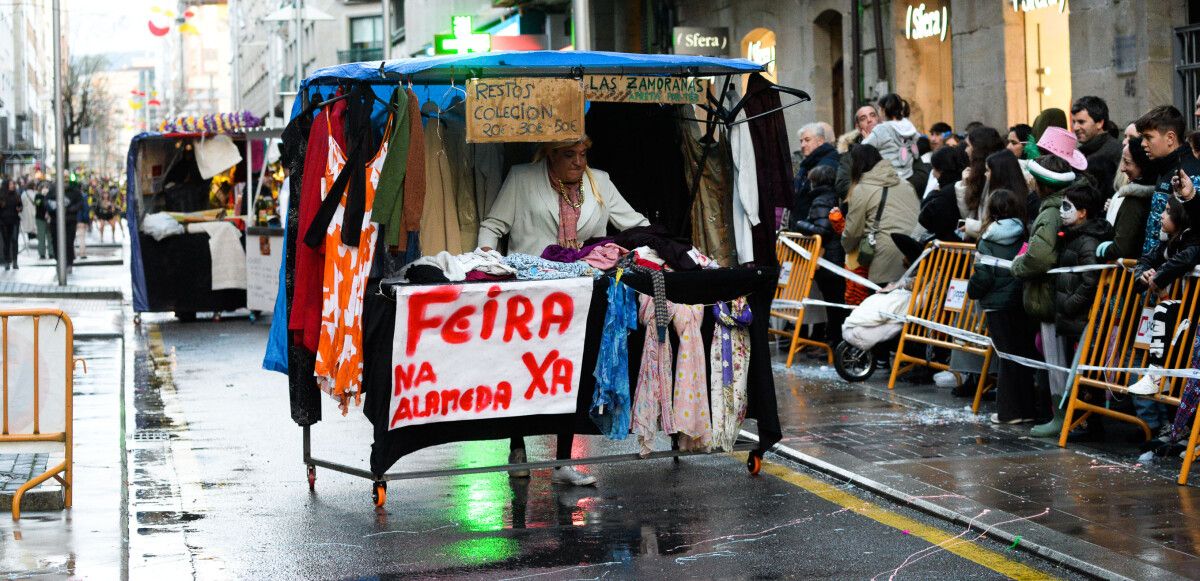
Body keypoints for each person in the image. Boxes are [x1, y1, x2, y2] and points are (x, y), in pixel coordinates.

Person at [477, 136, 649, 487]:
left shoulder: (598, 181)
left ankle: (563, 462)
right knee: (526, 371)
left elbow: (635, 224)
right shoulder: (523, 178)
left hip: (582, 293)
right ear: (550, 156)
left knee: (571, 372)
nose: (578, 162)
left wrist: (656, 248)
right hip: (531, 291)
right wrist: (487, 265)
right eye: (569, 155)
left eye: (583, 154)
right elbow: (493, 227)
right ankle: (518, 449)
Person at [1010, 153, 1078, 438]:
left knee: (1055, 360)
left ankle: (1060, 416)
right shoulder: (1057, 207)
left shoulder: (1049, 213)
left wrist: (1018, 265)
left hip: (1050, 295)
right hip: (1058, 294)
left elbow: (1039, 257)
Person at [967, 188, 1043, 424]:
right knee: (1023, 356)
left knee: (1006, 357)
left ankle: (1009, 412)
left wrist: (972, 291)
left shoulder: (987, 239)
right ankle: (1028, 409)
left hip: (997, 308)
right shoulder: (1025, 234)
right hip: (1020, 303)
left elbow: (984, 275)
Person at [1053, 183, 1113, 440]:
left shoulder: (1087, 241)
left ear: (1083, 213)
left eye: (1068, 206)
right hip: (1071, 315)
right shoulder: (1072, 236)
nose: (1062, 211)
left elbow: (1089, 280)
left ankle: (1091, 422)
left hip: (1080, 315)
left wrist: (1069, 304)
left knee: (1087, 370)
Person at [1127, 197, 1200, 399]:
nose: (1161, 215)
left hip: (1194, 312)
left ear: (1180, 216)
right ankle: (1160, 378)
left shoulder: (1193, 240)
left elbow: (1187, 257)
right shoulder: (1168, 243)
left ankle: (1157, 375)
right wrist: (1143, 275)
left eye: (1167, 211)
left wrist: (1158, 275)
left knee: (1165, 309)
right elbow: (1146, 260)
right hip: (1186, 310)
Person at [841, 144, 919, 285]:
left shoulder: (861, 189)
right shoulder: (905, 184)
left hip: (885, 258)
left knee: (879, 304)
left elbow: (853, 231)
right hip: (913, 254)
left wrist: (846, 247)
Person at [790, 165, 846, 347]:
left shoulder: (821, 200)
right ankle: (834, 340)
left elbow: (822, 230)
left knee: (832, 302)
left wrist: (801, 224)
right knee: (834, 302)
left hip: (828, 258)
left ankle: (834, 342)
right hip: (834, 256)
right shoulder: (833, 197)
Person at [1136, 105, 1199, 259]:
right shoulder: (1164, 168)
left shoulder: (1189, 173)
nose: (1143, 143)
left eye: (1148, 137)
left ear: (1170, 138)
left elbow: (1192, 233)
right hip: (1156, 269)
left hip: (1175, 272)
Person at [1097, 138, 1159, 261]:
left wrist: (1100, 250)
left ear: (1142, 165)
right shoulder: (1159, 193)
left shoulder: (1134, 200)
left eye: (1127, 162)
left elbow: (1121, 248)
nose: (1122, 169)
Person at [862, 93, 924, 194]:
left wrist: (866, 138)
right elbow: (917, 139)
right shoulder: (909, 126)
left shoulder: (881, 129)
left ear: (883, 110)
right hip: (908, 175)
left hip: (888, 178)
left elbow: (864, 147)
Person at [963, 150, 1029, 239]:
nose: (985, 174)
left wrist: (970, 226)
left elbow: (998, 230)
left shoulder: (1003, 200)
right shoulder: (1021, 194)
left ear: (998, 173)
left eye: (988, 170)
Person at [958, 126, 1005, 238]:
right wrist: (964, 186)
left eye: (969, 146)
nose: (966, 150)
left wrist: (970, 227)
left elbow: (1000, 227)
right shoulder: (978, 174)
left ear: (978, 149)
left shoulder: (997, 176)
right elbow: (968, 215)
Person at [1072, 96, 1123, 199]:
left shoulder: (1116, 151)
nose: (1075, 127)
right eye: (1074, 122)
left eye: (1081, 122)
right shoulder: (1083, 152)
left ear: (1100, 123)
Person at [918, 144, 969, 242]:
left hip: (948, 248)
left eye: (934, 169)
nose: (933, 173)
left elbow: (925, 219)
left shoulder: (945, 194)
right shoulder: (964, 183)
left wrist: (933, 193)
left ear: (941, 170)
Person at [793, 122, 840, 221]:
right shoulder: (806, 164)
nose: (802, 145)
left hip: (818, 226)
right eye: (801, 141)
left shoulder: (828, 164)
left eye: (807, 140)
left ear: (820, 141)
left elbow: (824, 200)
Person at [835, 104, 881, 198]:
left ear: (879, 120)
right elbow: (843, 186)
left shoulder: (893, 144)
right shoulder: (850, 153)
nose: (869, 120)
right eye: (863, 118)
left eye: (872, 115)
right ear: (858, 127)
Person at [0, 179, 23, 270]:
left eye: (13, 184)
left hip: (14, 221)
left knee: (14, 241)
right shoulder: (1, 195)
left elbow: (21, 206)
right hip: (4, 222)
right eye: (10, 184)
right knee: (6, 242)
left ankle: (15, 261)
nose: (12, 185)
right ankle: (7, 261)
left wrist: (19, 208)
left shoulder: (17, 195)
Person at [33, 185, 52, 260]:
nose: (45, 189)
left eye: (46, 188)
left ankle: (51, 253)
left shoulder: (50, 195)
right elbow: (37, 204)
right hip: (40, 219)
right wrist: (43, 197)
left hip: (49, 219)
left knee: (50, 237)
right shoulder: (38, 196)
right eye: (44, 188)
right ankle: (42, 253)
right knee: (41, 237)